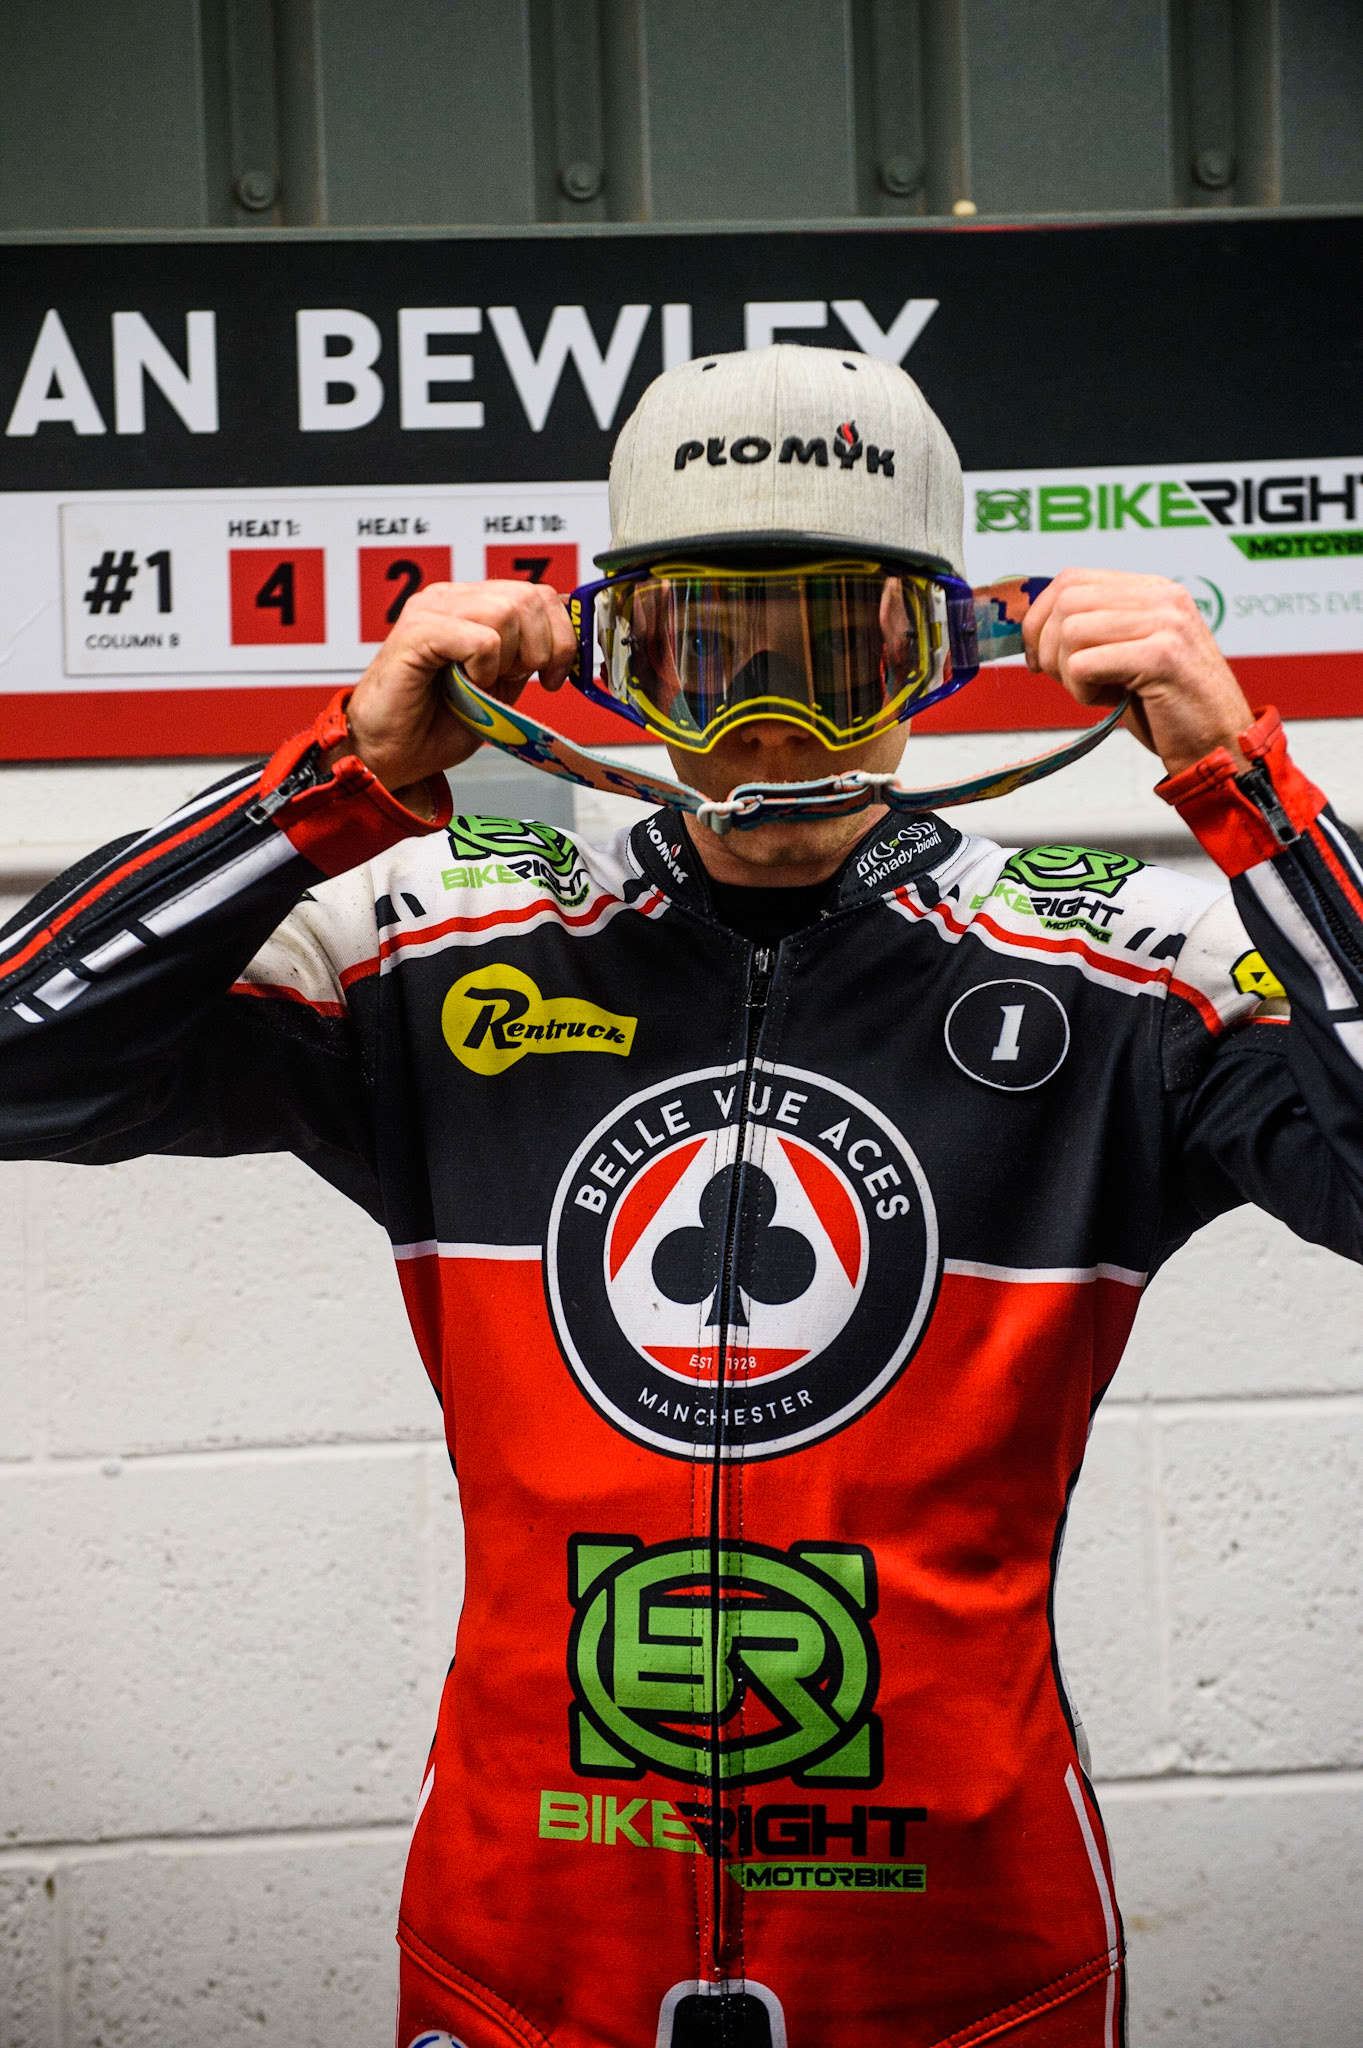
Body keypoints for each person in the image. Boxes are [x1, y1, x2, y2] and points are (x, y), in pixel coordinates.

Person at [3, 344, 1361, 2048]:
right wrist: (334, 779)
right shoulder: (430, 941)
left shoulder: (1125, 968)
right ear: (611, 655)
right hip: (523, 1942)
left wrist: (1250, 788)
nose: (768, 722)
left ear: (941, 654)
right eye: (707, 651)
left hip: (962, 1956)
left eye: (839, 656)